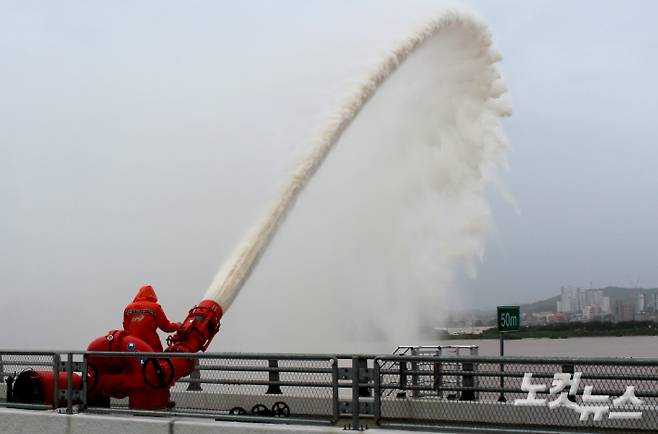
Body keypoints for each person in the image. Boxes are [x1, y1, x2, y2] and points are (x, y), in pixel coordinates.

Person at [123, 285, 181, 352]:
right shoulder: (155, 307)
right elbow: (166, 327)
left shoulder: (128, 308)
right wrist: (178, 325)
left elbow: (126, 328)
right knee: (157, 361)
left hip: (133, 346)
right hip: (151, 345)